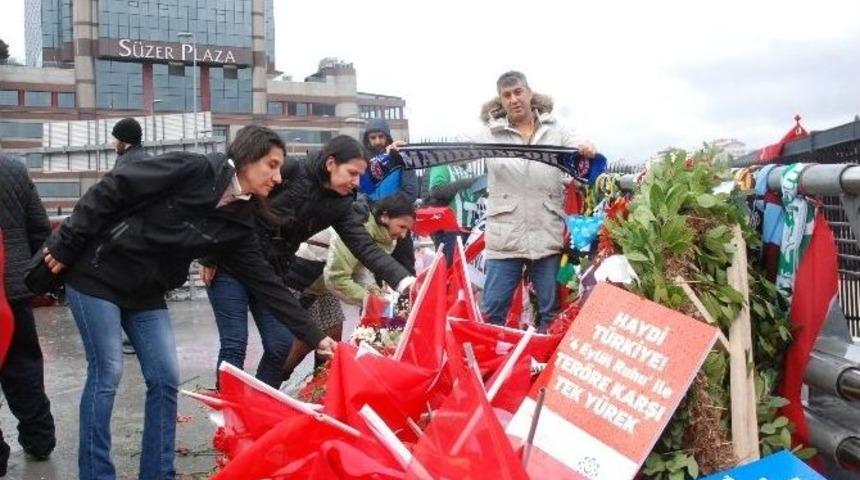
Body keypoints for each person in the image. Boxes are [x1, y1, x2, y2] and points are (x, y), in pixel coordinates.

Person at [37, 125, 338, 480]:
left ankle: (159, 473)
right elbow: (114, 187)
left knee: (165, 377)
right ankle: (96, 474)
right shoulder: (195, 169)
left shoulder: (239, 221)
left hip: (146, 292)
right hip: (98, 274)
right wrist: (67, 241)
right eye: (271, 165)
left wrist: (316, 336)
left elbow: (268, 285)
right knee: (108, 372)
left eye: (279, 168)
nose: (276, 176)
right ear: (246, 157)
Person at [201, 135, 415, 389]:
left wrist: (405, 281)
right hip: (231, 263)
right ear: (331, 164)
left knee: (280, 344)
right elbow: (233, 200)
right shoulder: (289, 171)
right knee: (235, 343)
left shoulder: (341, 204)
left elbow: (364, 246)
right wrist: (210, 254)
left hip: (270, 275)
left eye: (360, 176)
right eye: (352, 173)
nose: (356, 182)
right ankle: (230, 412)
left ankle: (257, 402)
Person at [475, 71, 597, 331]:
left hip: (546, 234)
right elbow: (451, 149)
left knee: (551, 314)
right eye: (507, 95)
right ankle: (489, 369)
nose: (514, 99)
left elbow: (577, 147)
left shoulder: (556, 130)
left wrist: (586, 148)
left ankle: (544, 369)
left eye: (518, 92)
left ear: (529, 93)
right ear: (500, 100)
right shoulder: (488, 134)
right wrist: (404, 153)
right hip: (504, 236)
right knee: (491, 312)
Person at [280, 192, 416, 380]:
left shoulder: (381, 235)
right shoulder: (359, 226)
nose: (403, 234)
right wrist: (372, 300)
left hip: (323, 284)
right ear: (384, 216)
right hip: (303, 280)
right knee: (306, 342)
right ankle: (273, 381)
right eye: (401, 226)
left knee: (333, 335)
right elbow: (337, 279)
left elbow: (361, 270)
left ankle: (321, 385)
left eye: (407, 229)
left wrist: (375, 294)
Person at [0, 152, 56, 475]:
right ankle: (39, 441)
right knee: (25, 368)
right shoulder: (14, 170)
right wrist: (36, 278)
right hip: (13, 289)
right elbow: (40, 228)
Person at [110, 118, 150, 355]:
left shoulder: (126, 164)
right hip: (144, 236)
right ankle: (137, 337)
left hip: (128, 235)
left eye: (115, 137)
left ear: (123, 140)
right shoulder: (146, 159)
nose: (112, 142)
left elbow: (117, 202)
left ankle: (133, 337)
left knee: (127, 287)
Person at [359, 118, 418, 275]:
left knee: (405, 272)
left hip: (398, 224)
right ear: (367, 139)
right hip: (372, 225)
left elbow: (410, 191)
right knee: (371, 274)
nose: (377, 141)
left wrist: (381, 208)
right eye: (373, 137)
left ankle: (406, 299)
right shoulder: (361, 162)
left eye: (381, 136)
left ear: (387, 137)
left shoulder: (401, 157)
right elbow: (358, 193)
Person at [424, 164, 482, 265]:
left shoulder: (466, 169)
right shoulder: (442, 166)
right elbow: (436, 191)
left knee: (464, 271)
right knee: (449, 269)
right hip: (449, 231)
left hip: (469, 229)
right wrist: (461, 184)